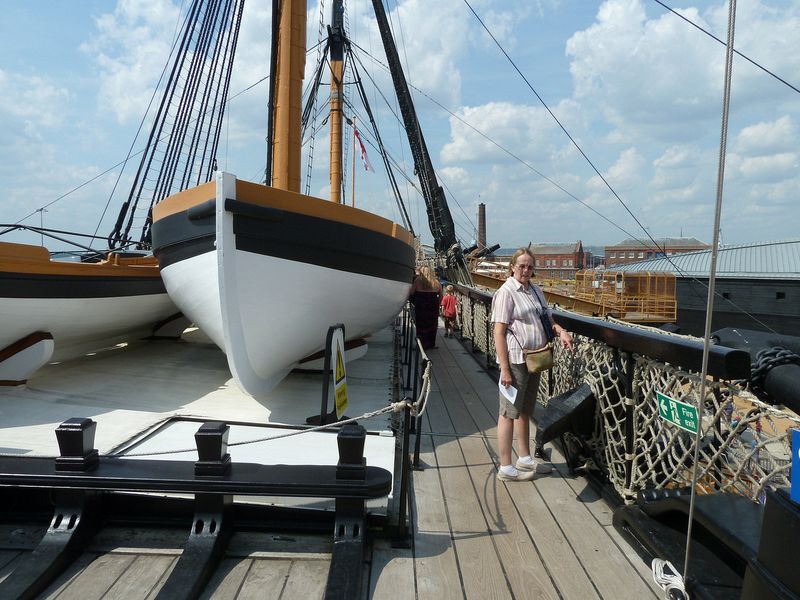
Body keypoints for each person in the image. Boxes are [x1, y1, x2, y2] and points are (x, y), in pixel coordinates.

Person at [492, 248, 573, 481]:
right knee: (508, 412)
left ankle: (525, 459)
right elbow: (498, 332)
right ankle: (506, 467)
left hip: (535, 358)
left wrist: (561, 331)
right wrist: (505, 369)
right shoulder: (506, 292)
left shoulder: (535, 291)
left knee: (526, 411)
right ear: (512, 267)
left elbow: (547, 319)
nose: (526, 270)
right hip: (515, 360)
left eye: (529, 267)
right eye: (522, 266)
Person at [409, 265, 442, 349]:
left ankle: (421, 344)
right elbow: (440, 294)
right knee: (432, 324)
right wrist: (437, 304)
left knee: (421, 324)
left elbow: (412, 292)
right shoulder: (436, 282)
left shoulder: (417, 281)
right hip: (433, 305)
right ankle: (431, 344)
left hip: (421, 305)